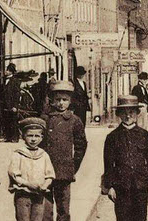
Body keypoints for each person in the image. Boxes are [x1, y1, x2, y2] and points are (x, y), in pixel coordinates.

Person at [102, 95, 148, 221]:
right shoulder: (112, 137)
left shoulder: (145, 136)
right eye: (124, 112)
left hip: (141, 186)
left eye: (131, 112)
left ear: (137, 113)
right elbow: (108, 164)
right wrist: (109, 186)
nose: (128, 116)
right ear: (119, 114)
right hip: (121, 187)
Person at [43, 80, 88, 221]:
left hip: (64, 170)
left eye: (65, 100)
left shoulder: (74, 121)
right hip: (46, 170)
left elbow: (81, 145)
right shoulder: (45, 119)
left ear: (70, 101)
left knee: (63, 209)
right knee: (45, 209)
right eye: (58, 100)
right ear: (52, 100)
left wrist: (73, 166)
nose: (61, 103)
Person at [7, 116, 55, 221]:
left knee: (37, 218)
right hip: (23, 194)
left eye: (37, 136)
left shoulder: (44, 155)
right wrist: (29, 184)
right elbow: (14, 175)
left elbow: (50, 175)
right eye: (30, 135)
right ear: (23, 136)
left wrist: (45, 185)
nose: (33, 139)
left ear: (42, 138)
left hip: (39, 194)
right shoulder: (18, 154)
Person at [0, 63, 21, 142]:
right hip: (5, 105)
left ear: (11, 72)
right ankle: (8, 137)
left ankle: (15, 138)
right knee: (6, 121)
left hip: (12, 105)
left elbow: (17, 94)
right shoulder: (4, 80)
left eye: (7, 70)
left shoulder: (15, 81)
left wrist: (15, 106)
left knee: (13, 121)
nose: (6, 71)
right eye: (6, 70)